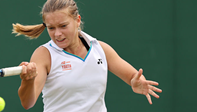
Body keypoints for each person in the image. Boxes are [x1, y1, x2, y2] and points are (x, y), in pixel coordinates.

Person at [12, 0, 162, 111]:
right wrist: (28, 81)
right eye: (51, 28)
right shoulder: (44, 54)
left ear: (77, 21)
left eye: (63, 26)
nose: (57, 34)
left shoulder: (100, 49)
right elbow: (27, 103)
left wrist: (136, 82)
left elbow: (132, 76)